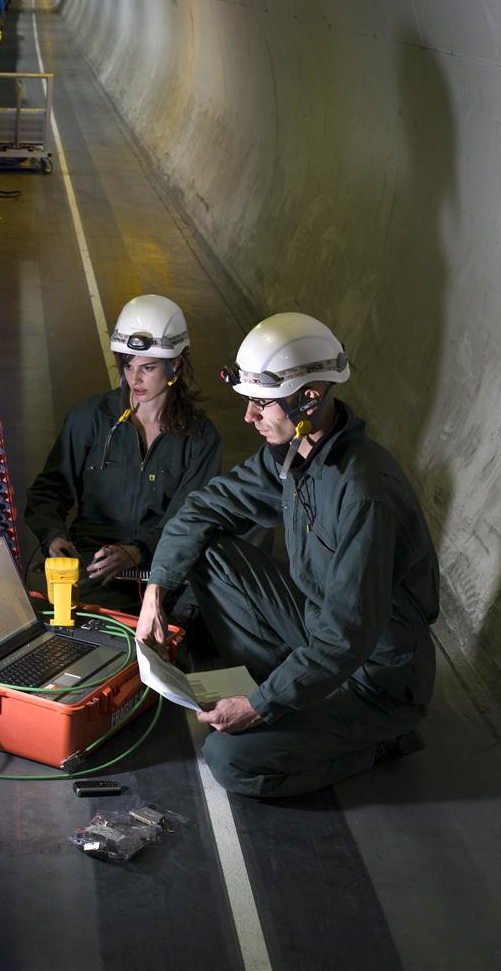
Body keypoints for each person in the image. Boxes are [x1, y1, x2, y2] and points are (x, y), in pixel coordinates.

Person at [136, 312, 440, 798]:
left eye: (262, 404)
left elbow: (346, 637)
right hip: (316, 627)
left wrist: (257, 706)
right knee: (206, 551)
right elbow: (202, 509)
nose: (249, 418)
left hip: (374, 676)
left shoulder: (364, 493)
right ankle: (289, 691)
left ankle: (379, 739)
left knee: (230, 759)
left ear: (310, 398)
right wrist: (156, 591)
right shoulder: (293, 453)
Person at [25, 294, 222, 613]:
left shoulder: (199, 438)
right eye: (127, 365)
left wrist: (138, 550)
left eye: (148, 367)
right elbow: (48, 490)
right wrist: (53, 535)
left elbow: (190, 519)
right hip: (95, 569)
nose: (135, 379)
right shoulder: (90, 418)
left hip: (164, 572)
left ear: (175, 364)